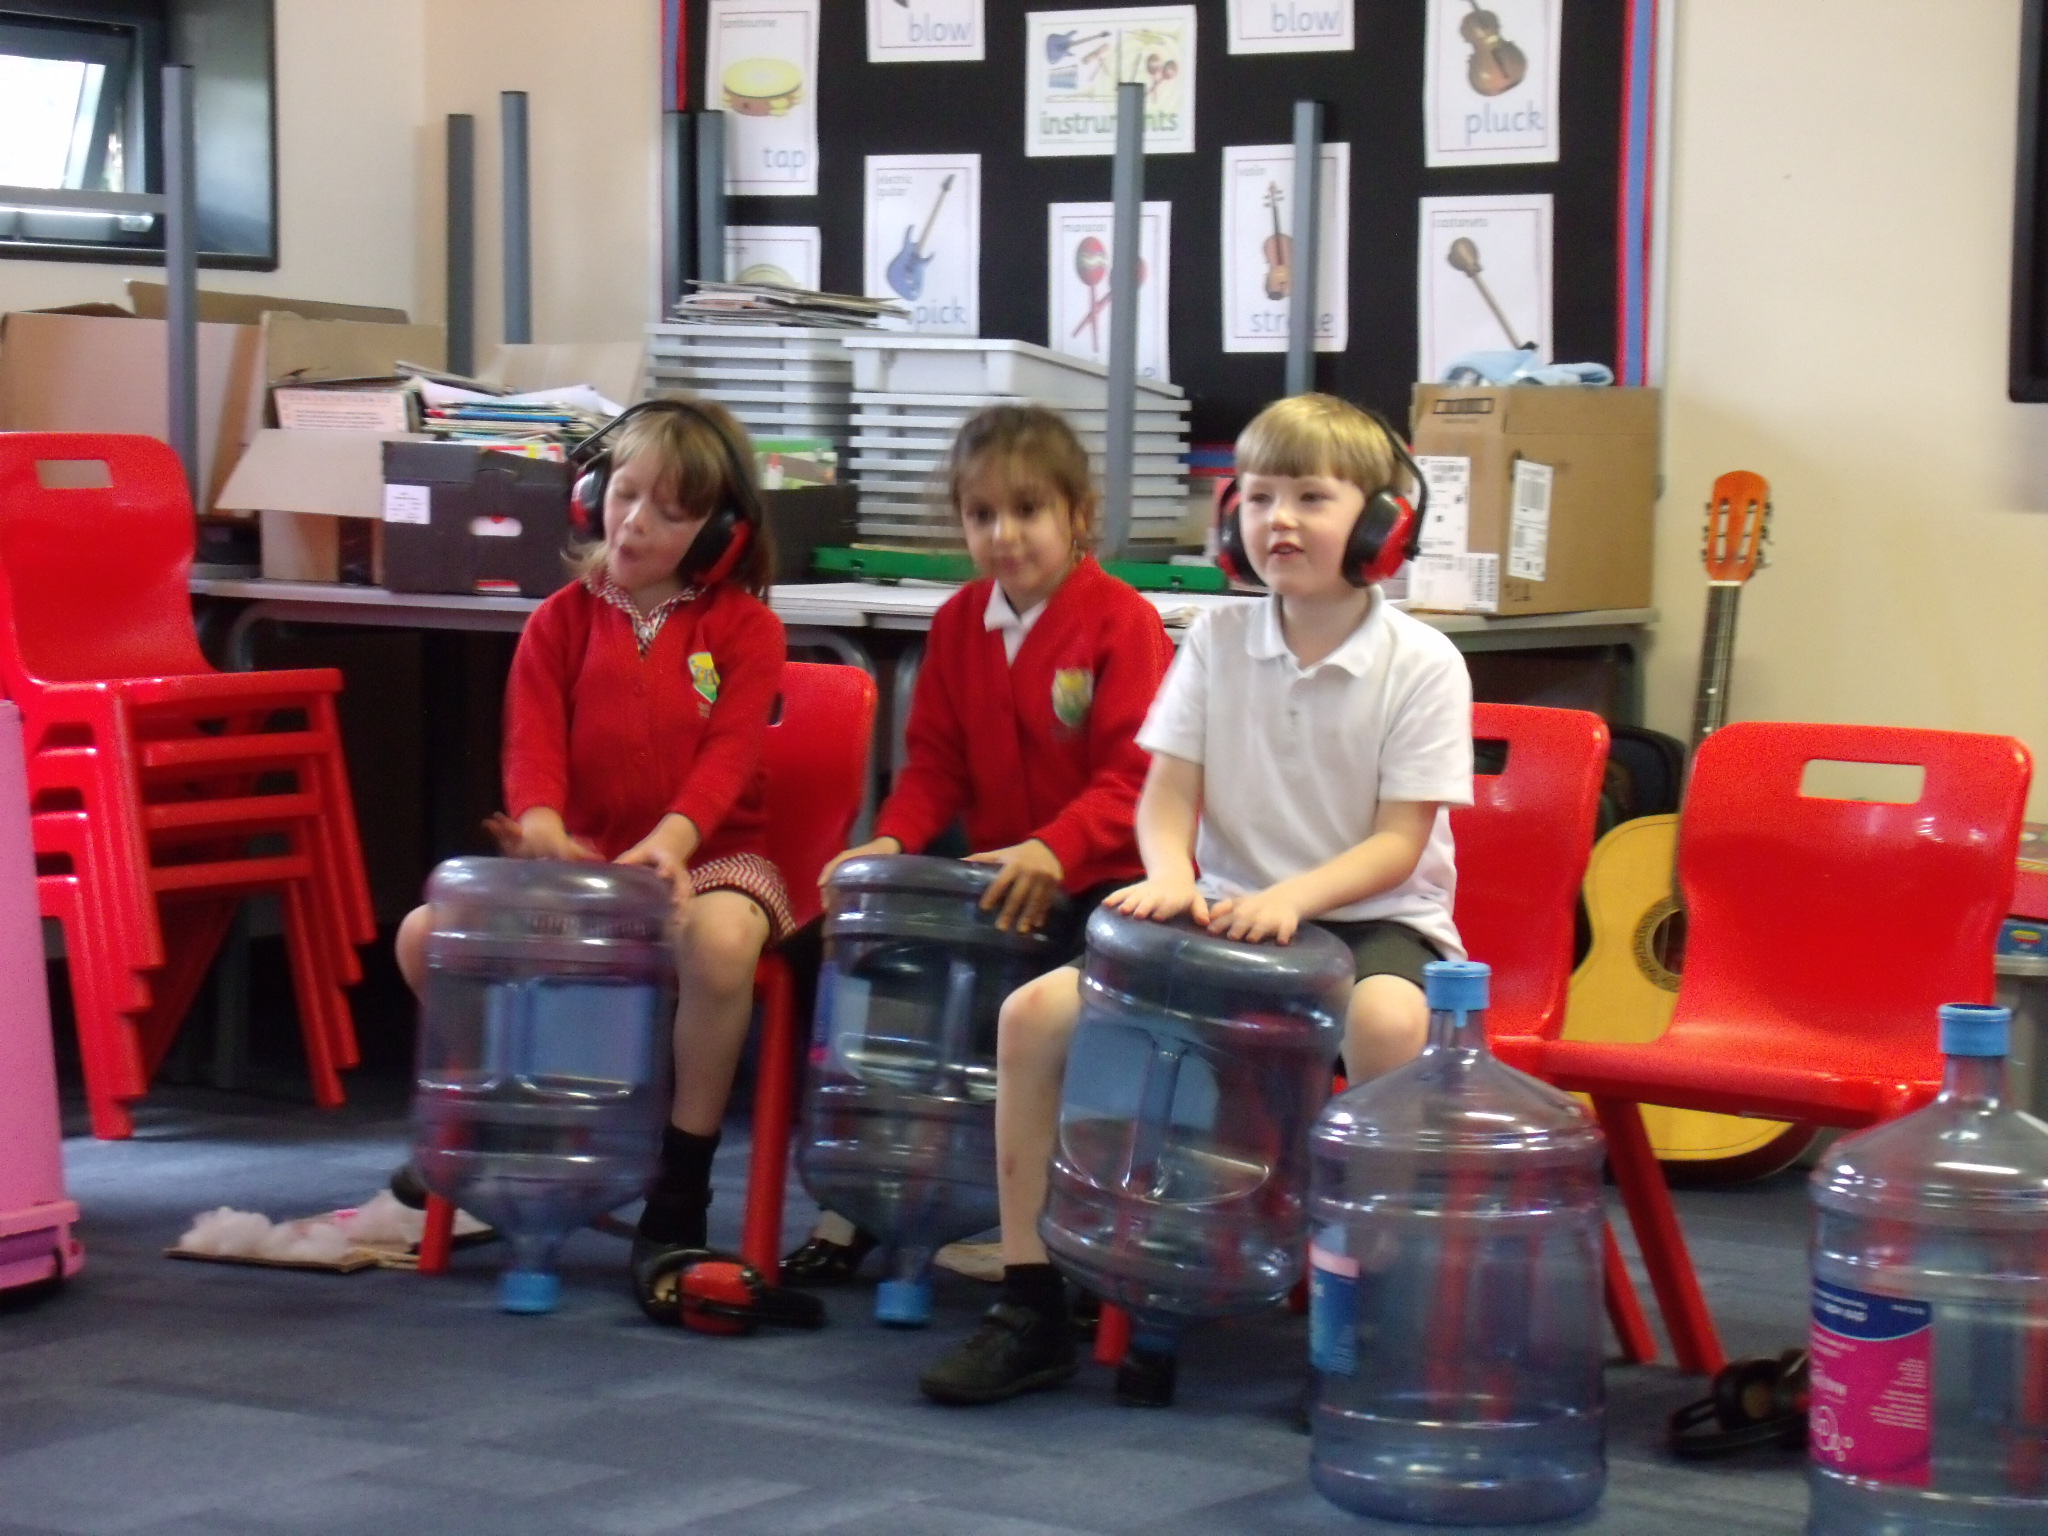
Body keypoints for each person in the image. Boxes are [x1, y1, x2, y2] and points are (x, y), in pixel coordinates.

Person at [918, 392, 1475, 1405]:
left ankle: (1375, 1325)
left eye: (1312, 495)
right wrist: (1170, 873)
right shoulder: (1214, 641)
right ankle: (1030, 1302)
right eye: (1259, 496)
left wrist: (1293, 898)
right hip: (1222, 915)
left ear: (1383, 524)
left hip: (1370, 920)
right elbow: (1165, 793)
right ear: (1230, 520)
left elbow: (1399, 843)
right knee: (1029, 1017)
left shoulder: (1422, 663)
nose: (1281, 519)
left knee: (1388, 1022)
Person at [393, 396, 790, 1274]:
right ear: (589, 493)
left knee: (721, 946)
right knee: (427, 937)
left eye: (671, 510)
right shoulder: (560, 620)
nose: (635, 521)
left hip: (717, 859)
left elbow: (727, 760)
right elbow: (531, 744)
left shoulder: (748, 629)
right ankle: (494, 1114)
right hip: (593, 869)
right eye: (625, 493)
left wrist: (675, 843)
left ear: (722, 532)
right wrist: (541, 827)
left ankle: (680, 1179)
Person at [781, 403, 1175, 1285]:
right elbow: (934, 771)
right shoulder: (960, 623)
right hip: (997, 881)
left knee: (1060, 1017)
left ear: (1078, 515)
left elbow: (1133, 784)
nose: (1005, 535)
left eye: (1028, 511)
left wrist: (1050, 850)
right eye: (982, 515)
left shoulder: (1122, 622)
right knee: (882, 956)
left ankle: (1046, 1223)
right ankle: (865, 1198)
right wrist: (886, 841)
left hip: (1101, 885)